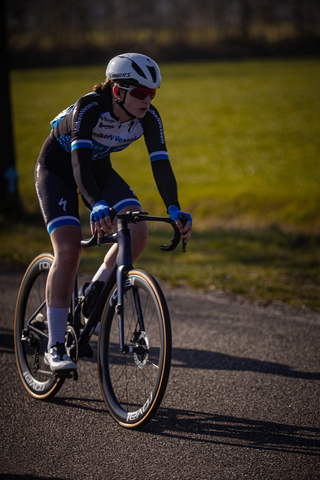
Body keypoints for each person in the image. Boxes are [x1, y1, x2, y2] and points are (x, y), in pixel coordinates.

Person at [34, 52, 192, 372]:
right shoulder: (89, 108)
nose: (147, 100)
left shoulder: (149, 118)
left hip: (99, 169)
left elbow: (160, 164)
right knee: (68, 251)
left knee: (138, 231)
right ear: (117, 91)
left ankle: (95, 289)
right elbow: (78, 164)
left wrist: (174, 208)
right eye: (139, 93)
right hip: (58, 171)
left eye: (152, 93)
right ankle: (54, 345)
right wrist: (96, 204)